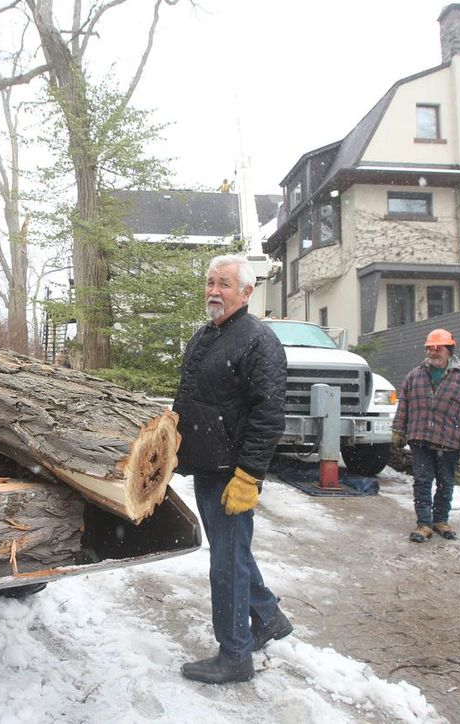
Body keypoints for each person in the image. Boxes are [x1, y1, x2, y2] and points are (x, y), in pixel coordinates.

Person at [172, 253, 293, 685]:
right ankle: (268, 618)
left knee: (226, 563)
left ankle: (235, 655)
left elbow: (268, 415)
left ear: (246, 291)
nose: (213, 291)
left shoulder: (258, 341)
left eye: (224, 284)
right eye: (209, 282)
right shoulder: (207, 334)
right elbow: (190, 398)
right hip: (207, 465)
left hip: (231, 473)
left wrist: (249, 476)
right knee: (233, 552)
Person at [391, 328, 460, 543]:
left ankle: (441, 520)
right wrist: (398, 430)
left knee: (445, 482)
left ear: (449, 350)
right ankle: (424, 524)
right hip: (420, 437)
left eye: (437, 349)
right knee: (422, 481)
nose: (432, 353)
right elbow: (404, 406)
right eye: (429, 349)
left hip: (449, 440)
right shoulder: (414, 376)